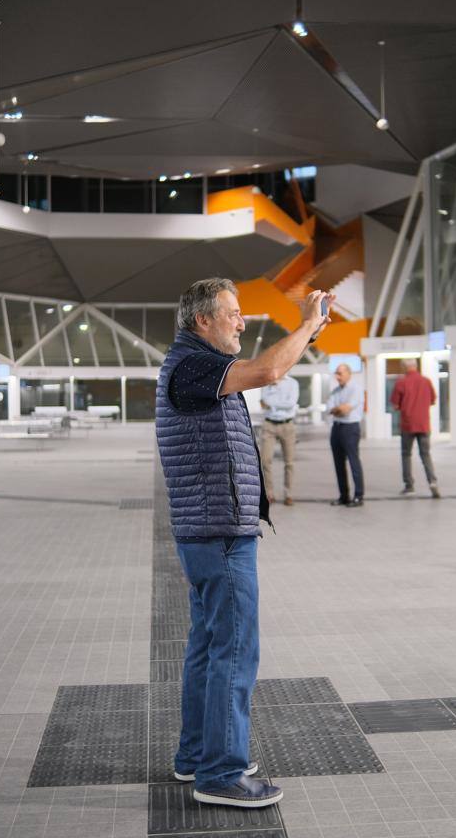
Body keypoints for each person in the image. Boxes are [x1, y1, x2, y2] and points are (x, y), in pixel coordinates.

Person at [156, 278, 332, 809]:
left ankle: (197, 757)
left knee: (210, 648)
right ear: (202, 320)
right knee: (233, 650)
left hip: (212, 529)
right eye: (232, 313)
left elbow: (268, 369)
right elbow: (271, 369)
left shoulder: (197, 367)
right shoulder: (194, 366)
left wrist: (311, 326)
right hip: (219, 533)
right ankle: (222, 772)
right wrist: (305, 324)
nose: (242, 320)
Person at [390, 359, 440, 499]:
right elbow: (432, 400)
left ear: (404, 367)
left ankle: (409, 486)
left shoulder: (401, 382)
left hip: (408, 424)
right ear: (416, 366)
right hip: (424, 424)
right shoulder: (426, 381)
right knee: (425, 454)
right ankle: (432, 482)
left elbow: (395, 404)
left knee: (406, 454)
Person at [327, 363, 364, 507]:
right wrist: (338, 409)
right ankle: (344, 496)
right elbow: (330, 409)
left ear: (349, 373)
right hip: (336, 428)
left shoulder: (356, 389)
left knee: (354, 461)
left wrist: (338, 409)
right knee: (338, 464)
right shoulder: (335, 391)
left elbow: (346, 409)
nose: (337, 376)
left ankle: (359, 495)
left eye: (340, 373)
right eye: (336, 373)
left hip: (350, 428)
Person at [259, 374, 300, 505]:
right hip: (269, 425)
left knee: (289, 462)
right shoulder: (267, 381)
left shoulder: (293, 383)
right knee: (265, 461)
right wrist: (272, 396)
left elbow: (290, 403)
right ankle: (269, 493)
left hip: (287, 425)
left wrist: (271, 403)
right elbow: (263, 401)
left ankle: (289, 494)